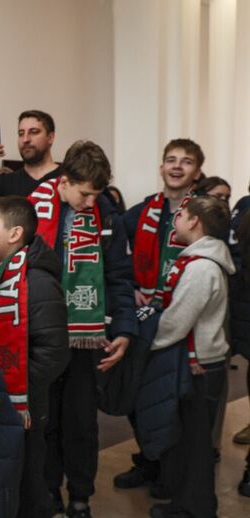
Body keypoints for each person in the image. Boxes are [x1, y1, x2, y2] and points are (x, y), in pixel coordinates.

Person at [28, 140, 136, 518]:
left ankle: (80, 496)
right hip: (43, 336)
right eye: (84, 194)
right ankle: (48, 494)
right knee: (45, 422)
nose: (90, 202)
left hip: (88, 338)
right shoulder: (33, 207)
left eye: (96, 194)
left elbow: (119, 275)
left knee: (81, 422)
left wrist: (124, 328)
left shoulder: (106, 214)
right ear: (64, 181)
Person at [0, 196, 70, 518]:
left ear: (14, 234)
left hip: (20, 406)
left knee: (26, 486)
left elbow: (53, 353)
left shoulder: (38, 282)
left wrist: (10, 388)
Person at [117, 139, 204, 492]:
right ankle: (148, 461)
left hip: (185, 322)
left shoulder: (203, 212)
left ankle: (172, 474)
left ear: (197, 172)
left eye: (186, 161)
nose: (177, 166)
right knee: (141, 396)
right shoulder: (142, 211)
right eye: (171, 160)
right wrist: (131, 285)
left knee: (172, 401)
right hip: (146, 318)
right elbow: (114, 254)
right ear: (161, 167)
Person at [148, 196, 234, 518]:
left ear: (195, 221)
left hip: (200, 365)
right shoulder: (201, 260)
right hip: (203, 362)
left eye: (182, 214)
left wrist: (146, 341)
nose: (177, 219)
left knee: (196, 445)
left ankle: (195, 509)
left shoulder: (200, 268)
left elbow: (177, 321)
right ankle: (186, 502)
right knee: (190, 440)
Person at [0, 110, 62, 214]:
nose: (25, 139)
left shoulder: (67, 177)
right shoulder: (6, 181)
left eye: (33, 132)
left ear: (50, 137)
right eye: (21, 134)